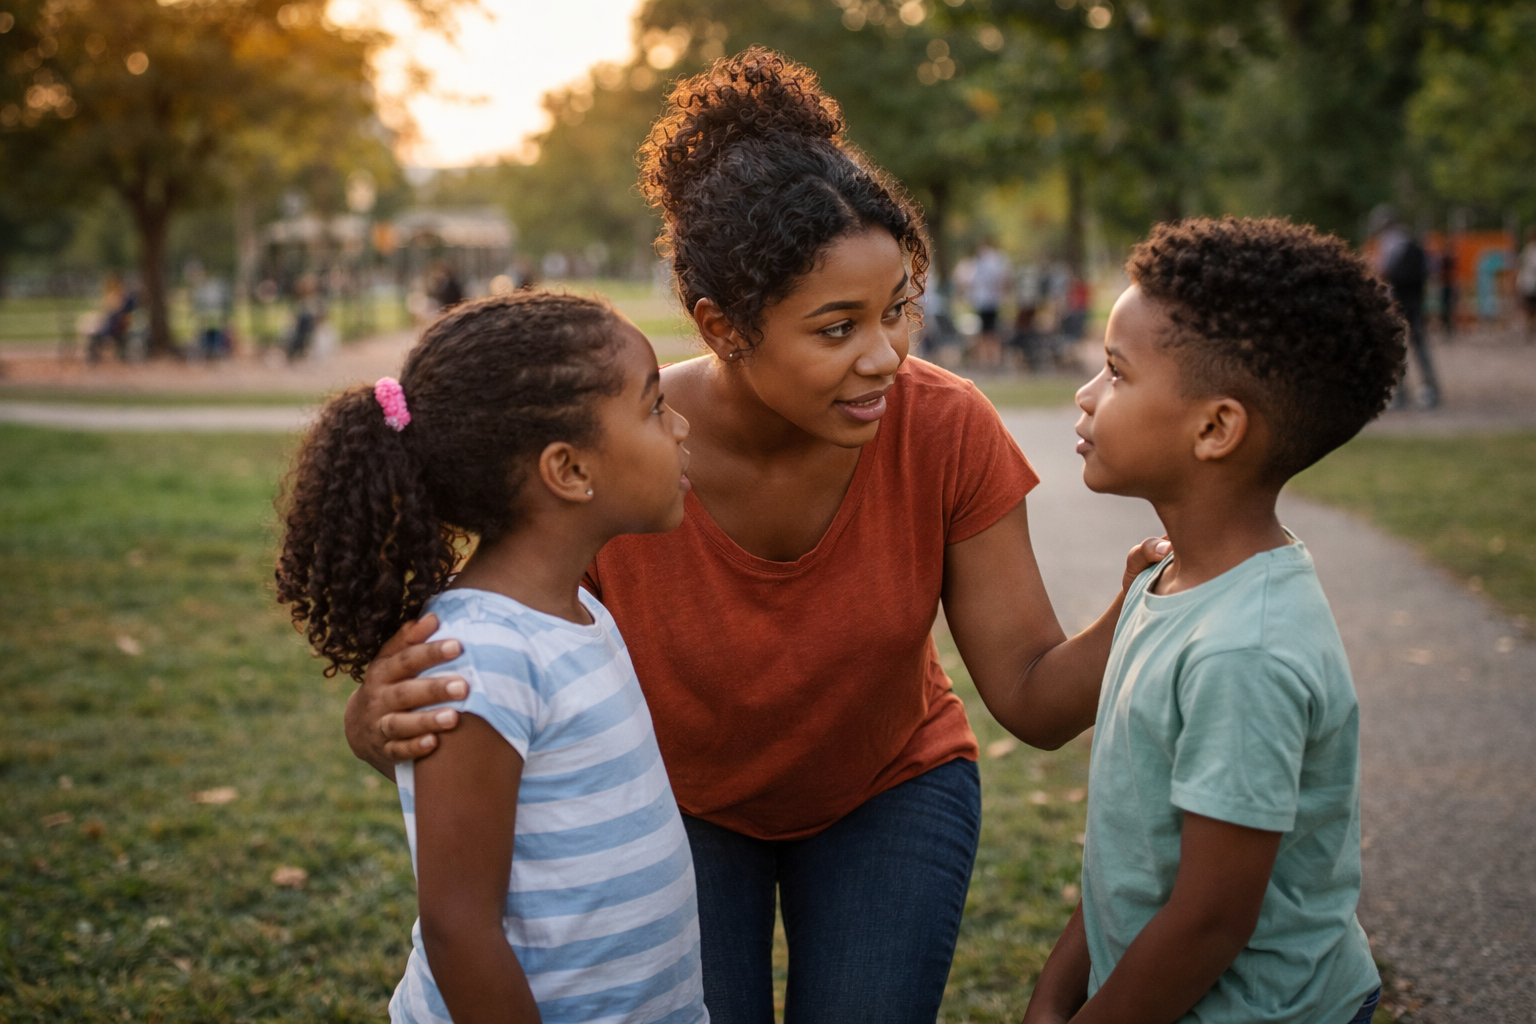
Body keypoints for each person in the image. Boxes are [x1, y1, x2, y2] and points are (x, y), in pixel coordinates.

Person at [344, 49, 1163, 1023]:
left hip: (886, 792)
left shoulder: (945, 426)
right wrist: (377, 722)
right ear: (721, 325)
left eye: (900, 308)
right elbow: (497, 678)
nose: (885, 356)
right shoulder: (622, 462)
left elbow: (1030, 695)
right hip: (680, 810)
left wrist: (1143, 603)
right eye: (836, 327)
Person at [274, 292, 707, 1023]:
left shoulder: (577, 612)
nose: (681, 424)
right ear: (567, 470)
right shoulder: (480, 655)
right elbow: (458, 927)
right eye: (655, 406)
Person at [1023, 218, 1403, 1024]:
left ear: (1216, 428)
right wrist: (1057, 991)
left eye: (1117, 374)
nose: (1087, 395)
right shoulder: (1168, 582)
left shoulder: (1244, 650)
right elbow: (1134, 861)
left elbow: (1208, 922)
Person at [1371, 207, 1438, 409]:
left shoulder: (1389, 242)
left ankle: (1400, 393)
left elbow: (1382, 271)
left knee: (1396, 346)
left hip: (1397, 301)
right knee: (1419, 345)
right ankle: (1431, 389)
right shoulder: (1411, 241)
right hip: (1415, 300)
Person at [966, 238, 1011, 369]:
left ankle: (989, 360)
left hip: (988, 302)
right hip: (987, 302)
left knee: (989, 333)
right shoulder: (992, 262)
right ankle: (989, 361)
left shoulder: (987, 263)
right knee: (988, 333)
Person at [1518, 226, 1536, 342]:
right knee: (1530, 309)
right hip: (1531, 284)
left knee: (1529, 309)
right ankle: (1530, 330)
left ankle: (1529, 330)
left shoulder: (1528, 250)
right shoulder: (1530, 250)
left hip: (1528, 284)